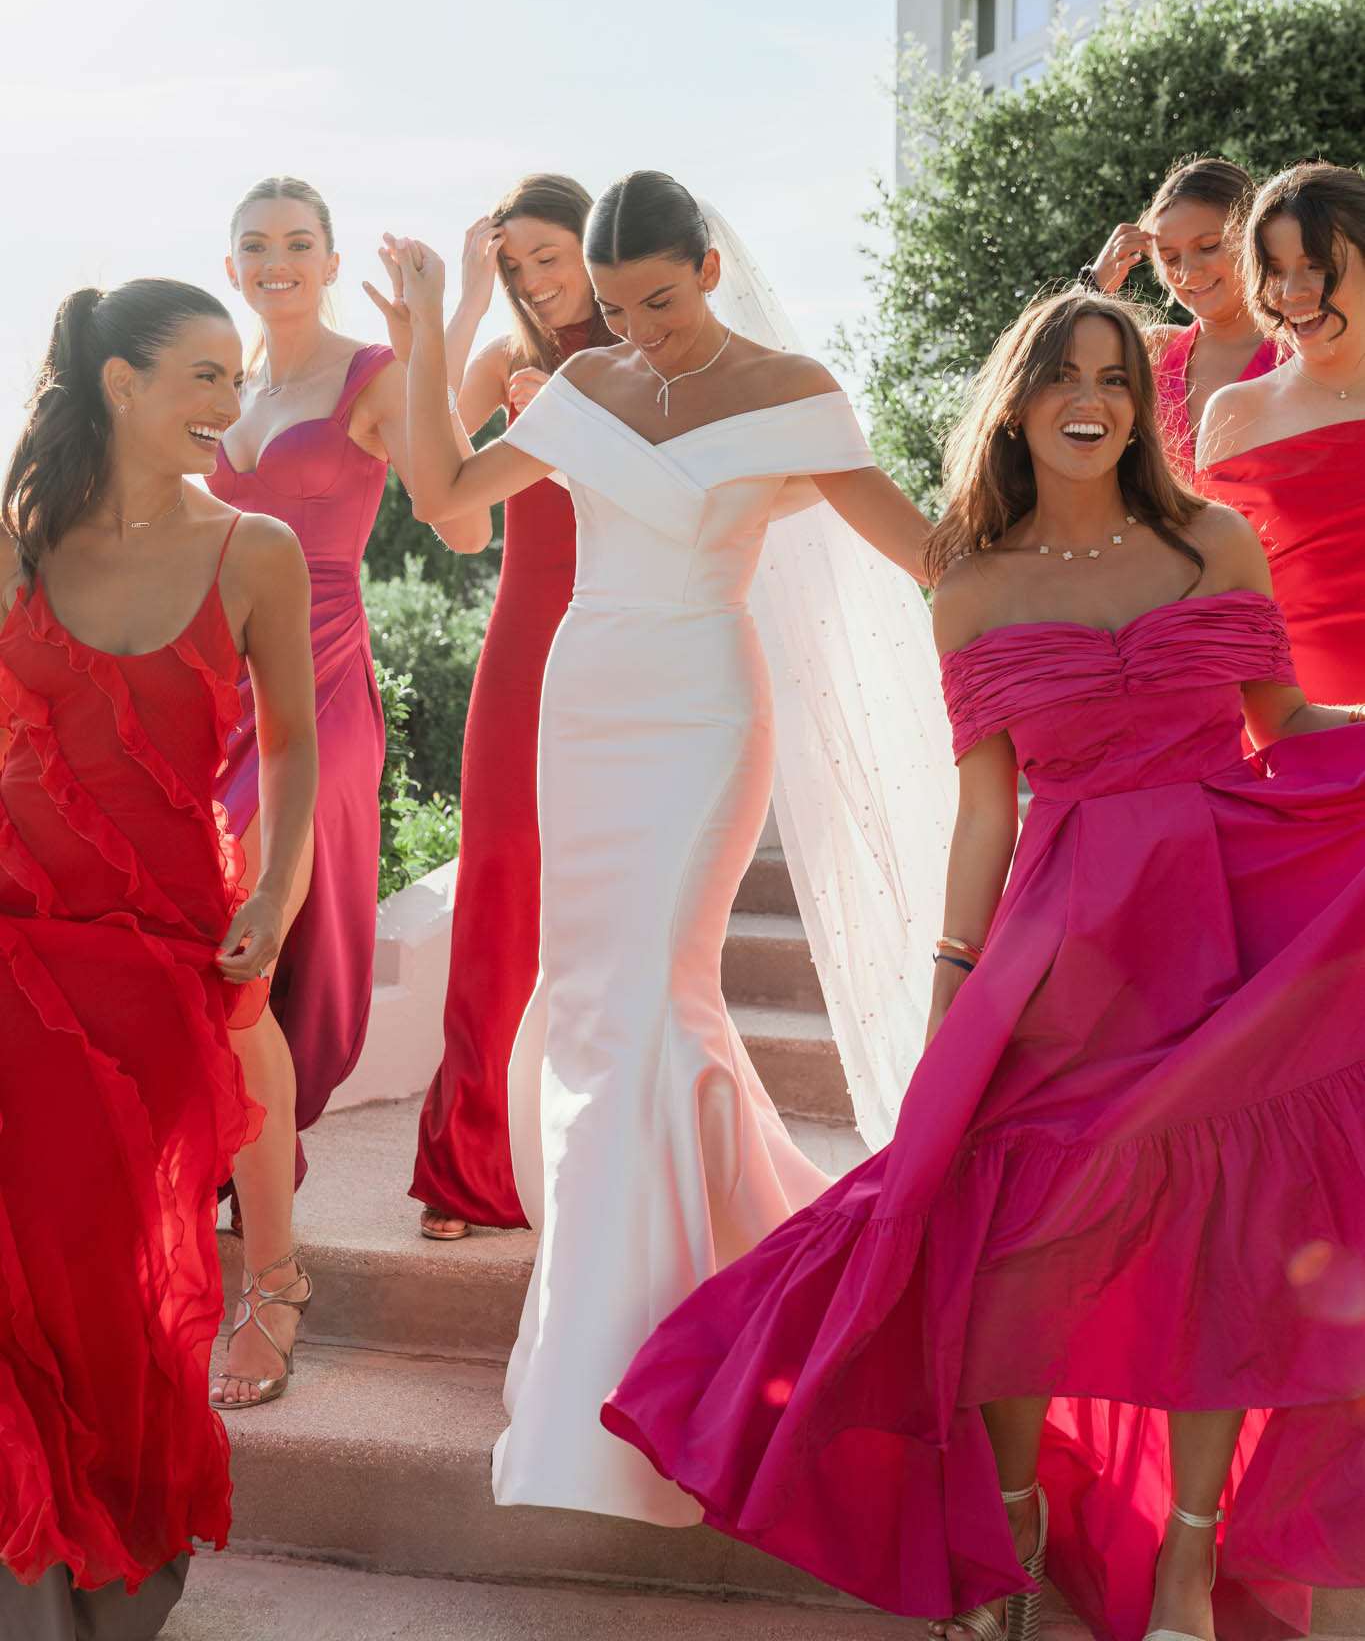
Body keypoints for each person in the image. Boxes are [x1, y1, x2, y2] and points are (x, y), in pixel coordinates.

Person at [605, 288, 1365, 1641]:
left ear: (1142, 404)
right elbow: (986, 804)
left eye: (1118, 377)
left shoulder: (1213, 540)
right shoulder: (969, 587)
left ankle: (1188, 1570)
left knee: (1221, 1240)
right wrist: (955, 970)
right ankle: (1006, 1527)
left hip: (1222, 919)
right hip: (1067, 935)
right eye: (1063, 376)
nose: (1093, 399)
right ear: (1016, 402)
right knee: (1012, 1242)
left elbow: (1287, 721)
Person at [390, 169, 939, 1525]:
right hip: (586, 705)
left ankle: (633, 1352)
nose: (644, 330)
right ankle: (679, 1289)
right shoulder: (583, 392)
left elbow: (924, 550)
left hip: (701, 707)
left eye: (663, 300)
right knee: (590, 1006)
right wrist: (421, 340)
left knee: (651, 995)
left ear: (708, 264)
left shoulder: (792, 389)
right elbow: (445, 488)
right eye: (621, 307)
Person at [0, 281, 315, 1638]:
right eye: (200, 375)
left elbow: (296, 746)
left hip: (177, 954)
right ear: (119, 384)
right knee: (27, 1280)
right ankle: (34, 1564)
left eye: (236, 381)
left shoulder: (257, 550)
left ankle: (113, 1550)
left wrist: (284, 891)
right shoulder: (20, 540)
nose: (224, 405)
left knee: (123, 1280)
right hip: (20, 952)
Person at [207, 174, 479, 1409]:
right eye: (256, 244)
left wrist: (431, 339)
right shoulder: (223, 386)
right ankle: (231, 1152)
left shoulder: (370, 372)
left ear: (326, 259)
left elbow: (447, 501)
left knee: (263, 933)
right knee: (193, 919)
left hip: (313, 678)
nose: (277, 261)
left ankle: (269, 1242)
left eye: (298, 243)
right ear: (232, 262)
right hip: (203, 677)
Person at [405, 174, 613, 1242]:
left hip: (629, 640)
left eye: (549, 255)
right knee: (496, 875)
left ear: (594, 244)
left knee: (606, 900)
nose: (535, 277)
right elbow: (432, 473)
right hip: (525, 642)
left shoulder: (647, 345)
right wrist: (467, 304)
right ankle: (470, 1160)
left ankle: (588, 1152)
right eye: (515, 260)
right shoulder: (507, 356)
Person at [1198, 162, 1365, 700]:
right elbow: (1217, 610)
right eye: (1274, 269)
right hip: (1303, 759)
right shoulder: (1235, 415)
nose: (1292, 293)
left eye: (1316, 266)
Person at [1083, 156, 1276, 479]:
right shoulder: (1152, 351)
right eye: (1170, 258)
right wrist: (1092, 289)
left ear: (1253, 236)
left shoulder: (1305, 349)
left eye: (1208, 246)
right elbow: (1039, 382)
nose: (1187, 271)